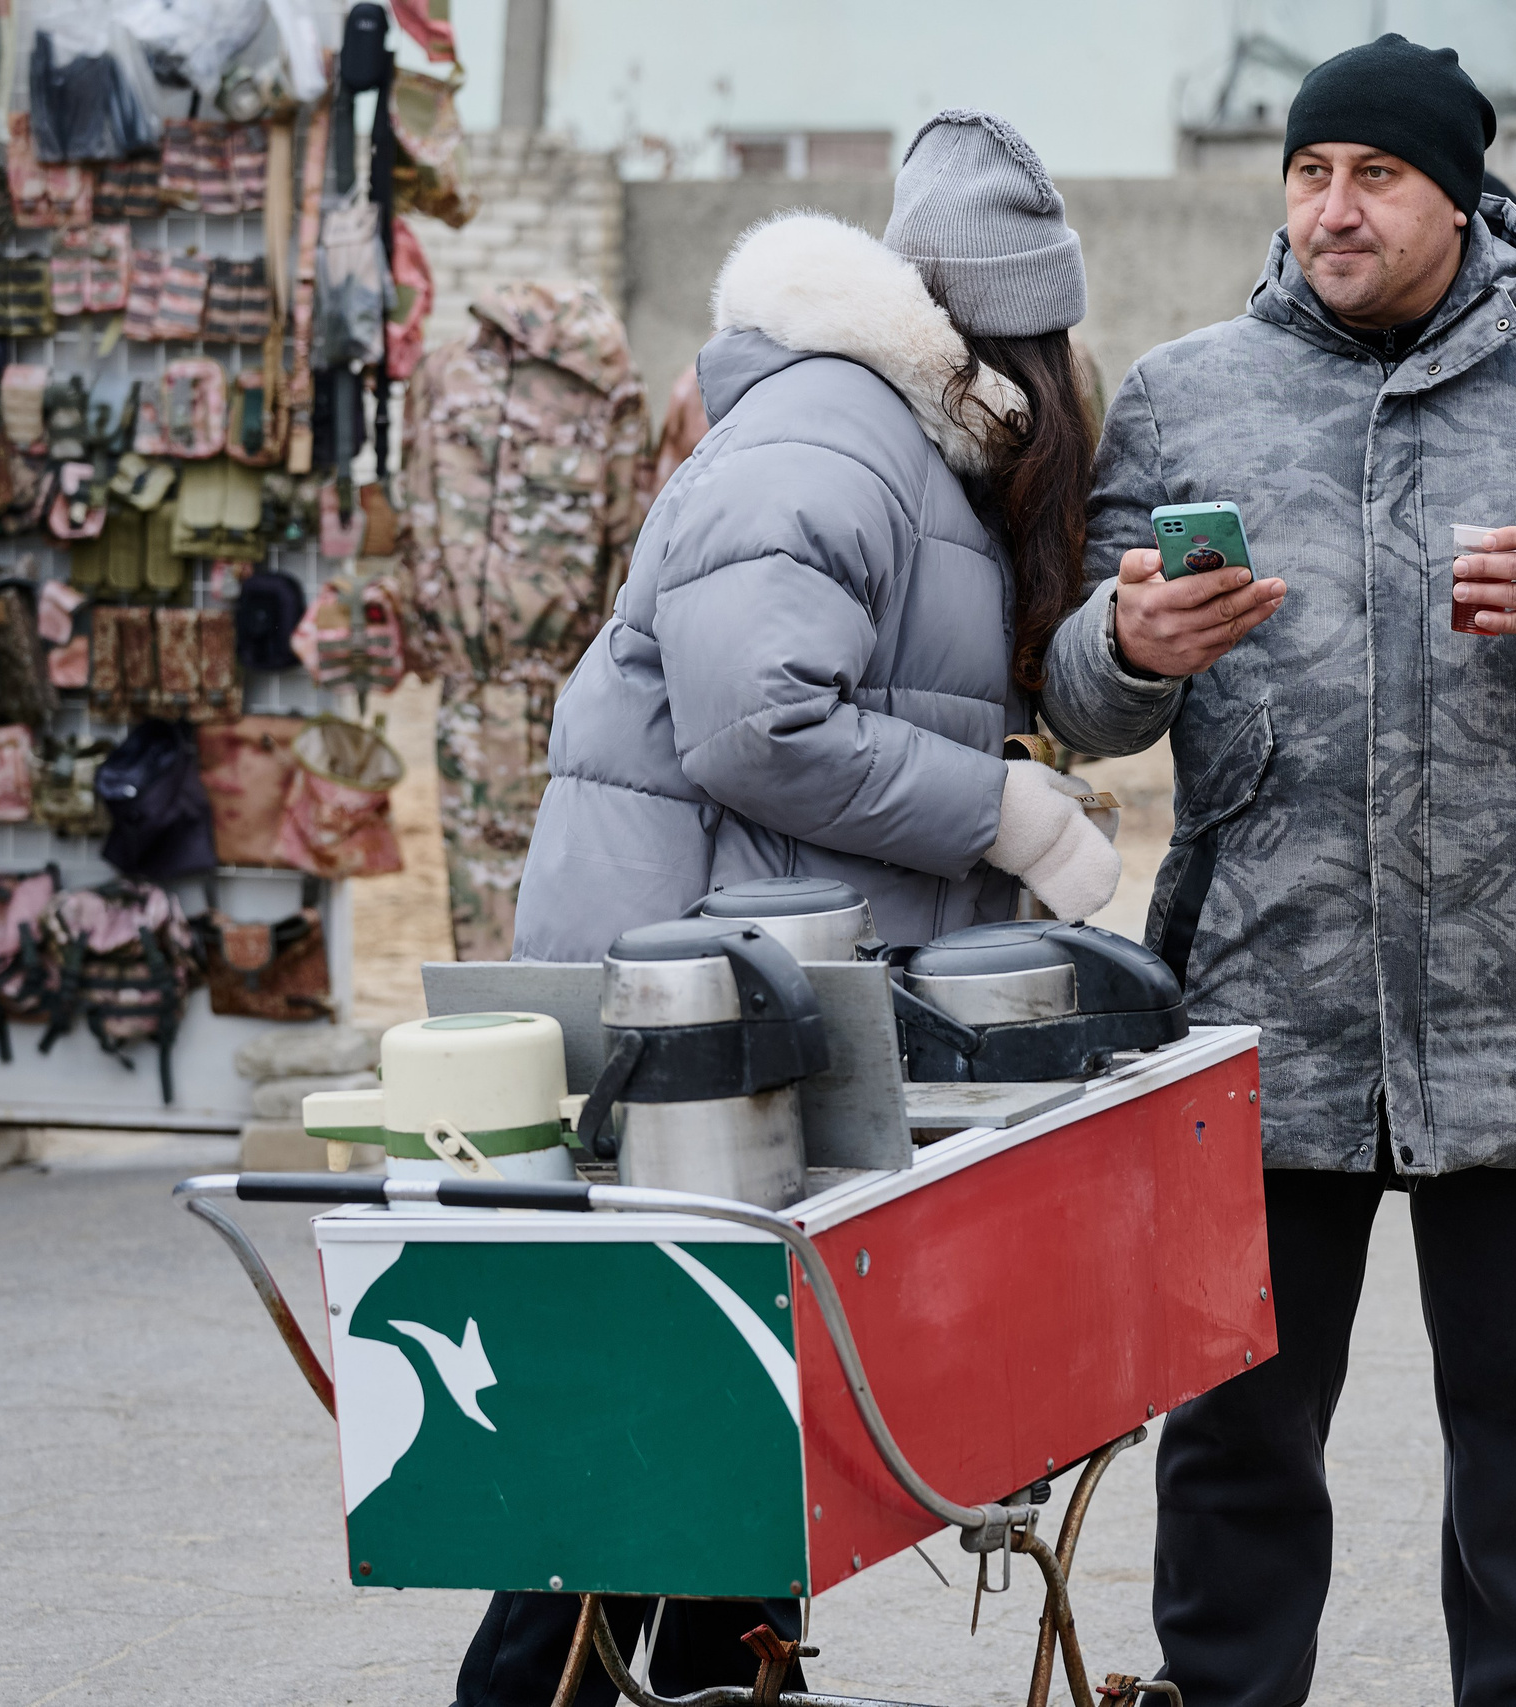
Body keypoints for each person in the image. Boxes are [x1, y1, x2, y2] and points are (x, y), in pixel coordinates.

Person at [1040, 34, 1516, 1707]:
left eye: (1373, 175)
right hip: (1255, 1018)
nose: (1332, 208)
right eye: (1310, 174)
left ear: (1459, 194)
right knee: (1232, 1437)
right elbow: (1073, 696)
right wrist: (1134, 642)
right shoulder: (1183, 393)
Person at [457, 111, 1119, 1704]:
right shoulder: (832, 434)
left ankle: (734, 1680)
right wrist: (1006, 808)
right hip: (683, 1018)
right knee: (631, 1467)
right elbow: (758, 720)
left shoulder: (893, 436)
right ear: (1011, 331)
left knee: (724, 1446)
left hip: (742, 1005)